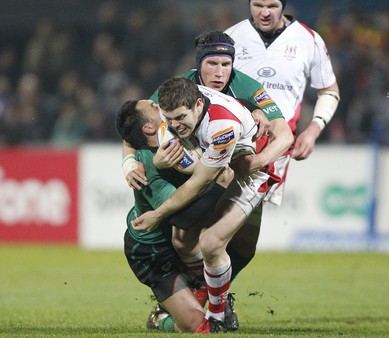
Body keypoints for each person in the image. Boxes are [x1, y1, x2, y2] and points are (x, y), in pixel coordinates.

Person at [122, 31, 293, 331]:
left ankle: (208, 298)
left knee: (241, 249)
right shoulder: (175, 91)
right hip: (214, 169)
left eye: (225, 64)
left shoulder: (244, 91)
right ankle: (215, 305)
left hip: (245, 170)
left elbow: (285, 134)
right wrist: (129, 161)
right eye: (211, 63)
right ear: (198, 65)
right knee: (194, 240)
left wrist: (257, 160)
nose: (219, 72)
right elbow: (139, 125)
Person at [115, 99, 236, 333]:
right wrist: (219, 187)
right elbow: (182, 219)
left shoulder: (176, 135)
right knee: (201, 327)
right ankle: (161, 320)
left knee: (223, 252)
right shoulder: (148, 167)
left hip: (180, 244)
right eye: (152, 105)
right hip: (153, 253)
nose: (157, 102)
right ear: (149, 128)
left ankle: (206, 295)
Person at [225, 0, 340, 206]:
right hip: (233, 140)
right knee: (223, 216)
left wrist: (313, 130)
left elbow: (329, 91)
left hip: (278, 145)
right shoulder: (232, 37)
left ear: (284, 6)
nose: (265, 12)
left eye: (272, 6)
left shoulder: (308, 40)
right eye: (258, 5)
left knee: (249, 219)